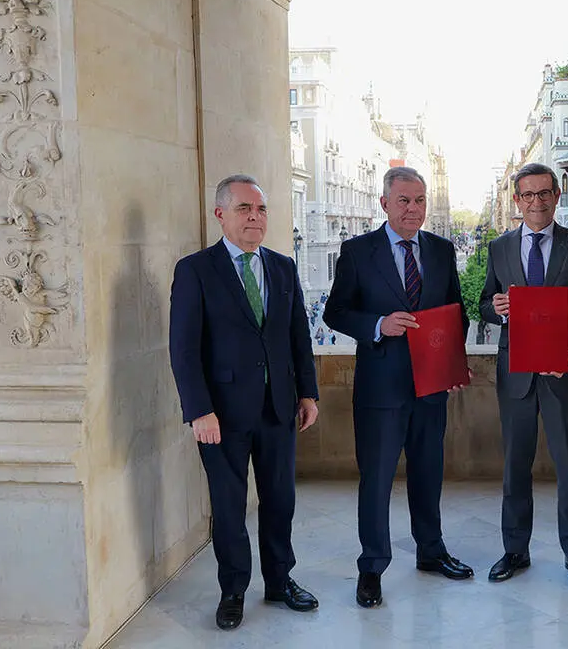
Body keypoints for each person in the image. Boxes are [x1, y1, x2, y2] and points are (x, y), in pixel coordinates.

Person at [169, 174, 320, 631]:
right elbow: (184, 348)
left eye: (261, 209)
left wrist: (308, 392)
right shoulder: (196, 270)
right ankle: (233, 590)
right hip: (221, 416)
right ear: (221, 214)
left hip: (278, 409)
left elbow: (298, 337)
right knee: (230, 508)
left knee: (280, 500)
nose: (255, 217)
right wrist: (199, 410)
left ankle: (279, 581)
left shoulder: (282, 267)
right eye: (244, 209)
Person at [323, 166, 473, 609]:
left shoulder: (442, 250)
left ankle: (431, 551)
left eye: (420, 200)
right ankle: (371, 567)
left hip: (431, 386)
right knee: (376, 480)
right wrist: (378, 324)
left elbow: (456, 312)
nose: (413, 208)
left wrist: (452, 366)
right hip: (380, 389)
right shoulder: (357, 251)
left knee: (428, 472)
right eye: (404, 200)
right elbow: (335, 312)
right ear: (385, 203)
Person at [479, 163, 568, 589]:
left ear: (557, 195)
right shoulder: (499, 248)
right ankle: (515, 550)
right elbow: (484, 304)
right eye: (528, 195)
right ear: (517, 200)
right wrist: (496, 308)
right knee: (515, 466)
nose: (537, 202)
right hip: (516, 375)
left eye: (544, 193)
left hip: (563, 373)